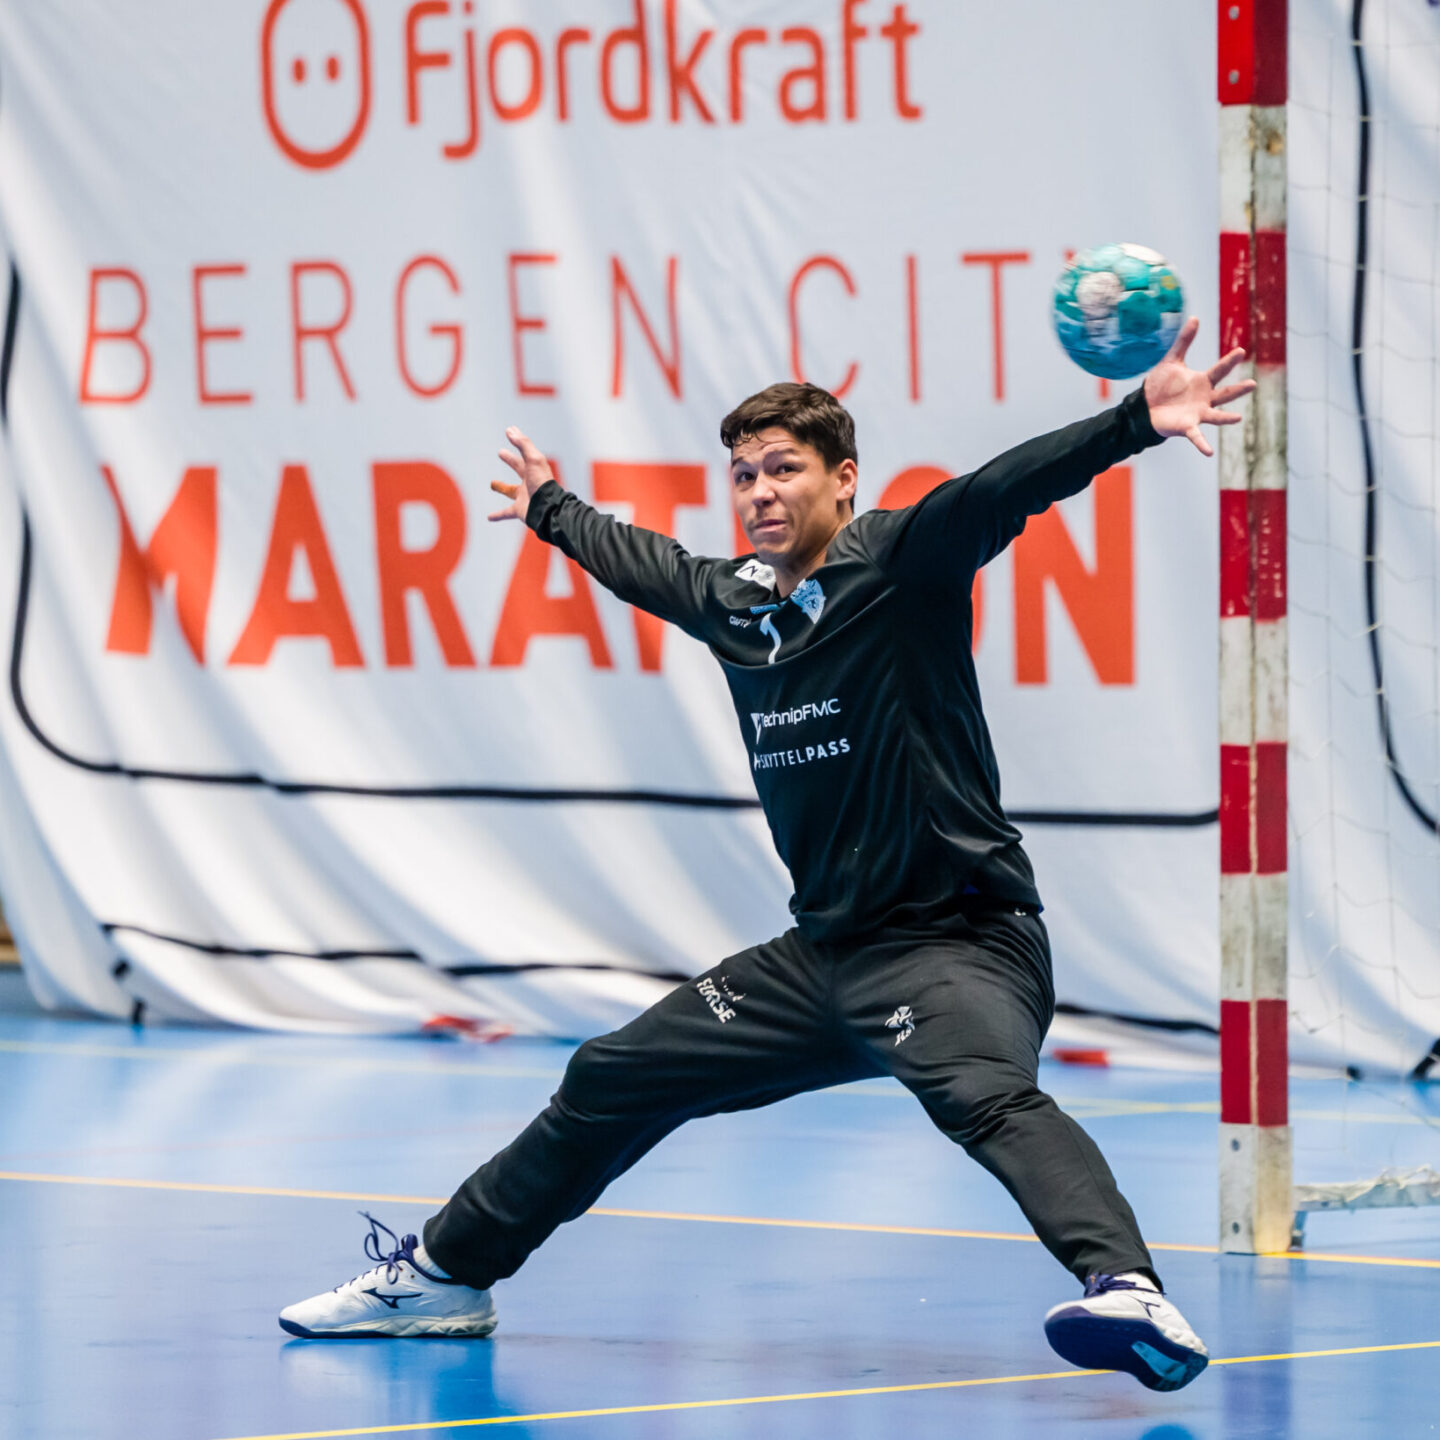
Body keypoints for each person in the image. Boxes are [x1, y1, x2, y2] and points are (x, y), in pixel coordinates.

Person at [280, 317, 1250, 1392]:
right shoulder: (737, 605)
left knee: (982, 1094)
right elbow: (644, 565)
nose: (760, 492)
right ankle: (446, 1278)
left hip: (956, 943)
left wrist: (1134, 421)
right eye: (743, 475)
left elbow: (1000, 490)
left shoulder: (900, 562)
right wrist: (552, 507)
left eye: (784, 469)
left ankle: (1128, 1290)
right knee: (610, 1074)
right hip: (821, 957)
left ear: (843, 480)